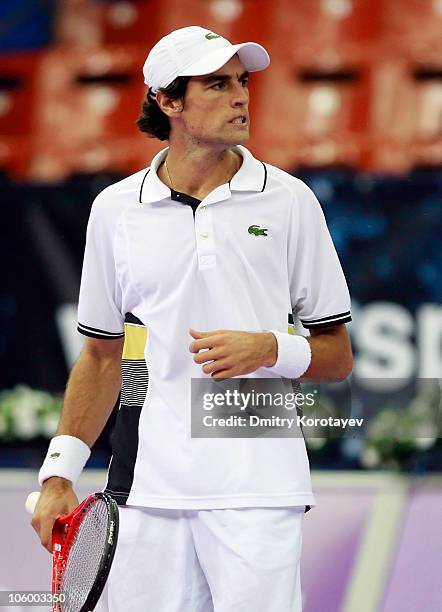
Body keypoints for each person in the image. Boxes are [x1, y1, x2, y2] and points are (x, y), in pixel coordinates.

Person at [32, 26, 353, 611]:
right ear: (168, 101)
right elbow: (103, 355)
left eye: (242, 82)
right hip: (146, 489)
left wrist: (270, 349)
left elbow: (337, 354)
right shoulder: (114, 211)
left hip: (258, 486)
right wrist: (58, 475)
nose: (240, 97)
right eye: (217, 84)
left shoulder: (290, 201)